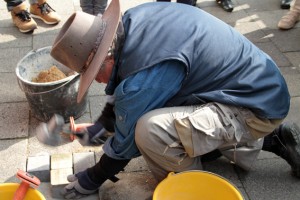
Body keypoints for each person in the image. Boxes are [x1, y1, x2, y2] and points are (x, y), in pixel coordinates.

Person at [50, 0, 300, 199]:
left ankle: (191, 190)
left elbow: (126, 142)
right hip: (255, 88)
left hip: (254, 107)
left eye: (93, 71)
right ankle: (274, 140)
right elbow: (129, 91)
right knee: (165, 115)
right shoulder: (131, 24)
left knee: (150, 131)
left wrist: (94, 176)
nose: (95, 80)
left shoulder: (142, 77)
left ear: (105, 54)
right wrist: (100, 127)